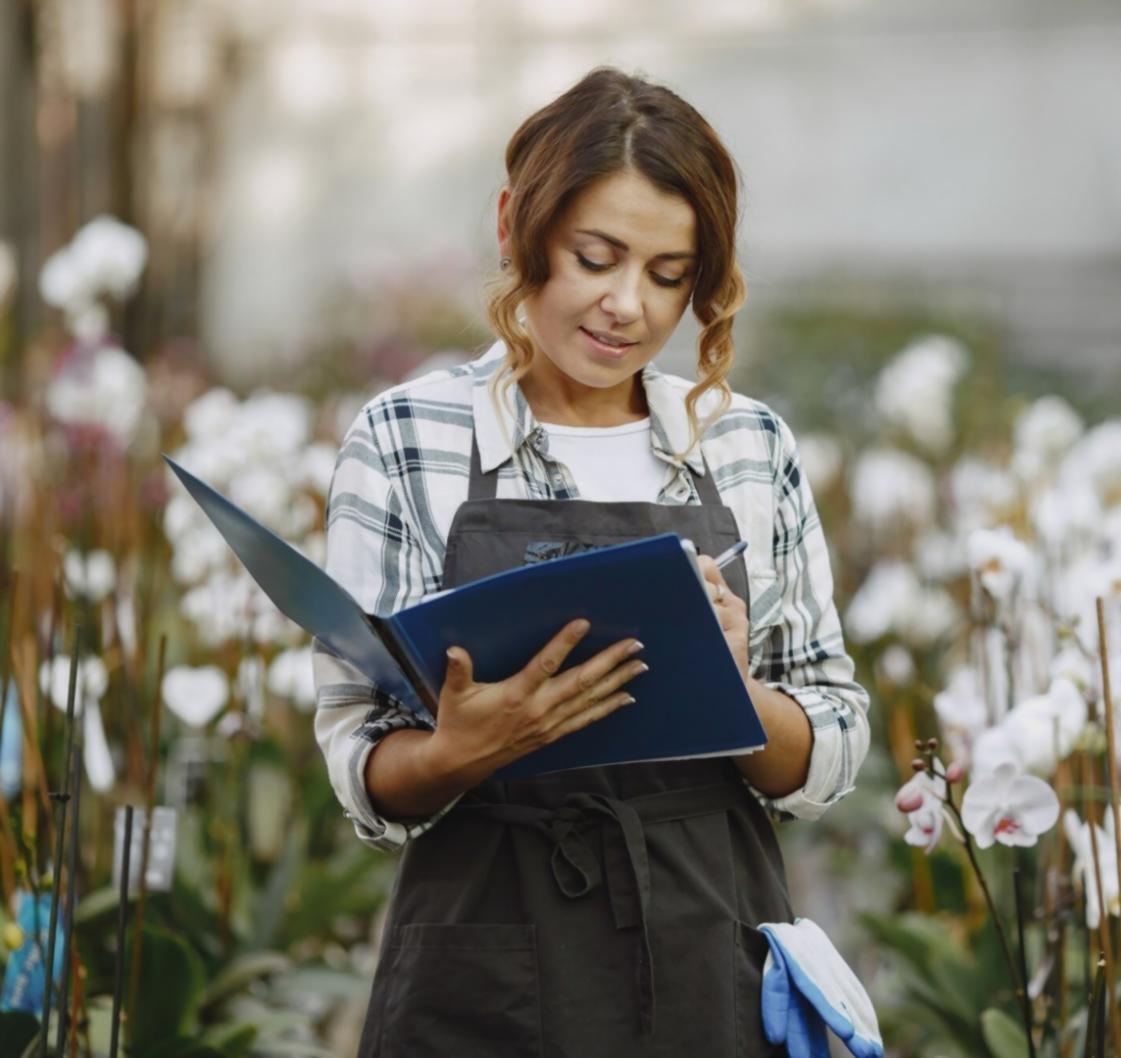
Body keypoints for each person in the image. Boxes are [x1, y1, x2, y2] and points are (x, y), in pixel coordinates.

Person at [311, 67, 871, 1055]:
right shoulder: (407, 435)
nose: (626, 306)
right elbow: (359, 746)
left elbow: (828, 737)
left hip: (712, 941)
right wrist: (452, 752)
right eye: (595, 256)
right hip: (481, 952)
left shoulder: (745, 443)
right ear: (514, 226)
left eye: (667, 274)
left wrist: (735, 692)